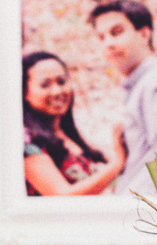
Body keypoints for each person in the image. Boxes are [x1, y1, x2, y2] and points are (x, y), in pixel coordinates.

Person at [88, 0, 157, 195]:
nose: (108, 43)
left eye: (116, 32)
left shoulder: (156, 84)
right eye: (101, 37)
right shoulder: (145, 83)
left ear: (144, 34)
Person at [22, 50, 126, 196]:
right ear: (25, 92)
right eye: (45, 85)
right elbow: (63, 196)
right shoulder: (27, 144)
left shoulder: (66, 134)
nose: (57, 91)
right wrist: (117, 163)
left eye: (61, 82)